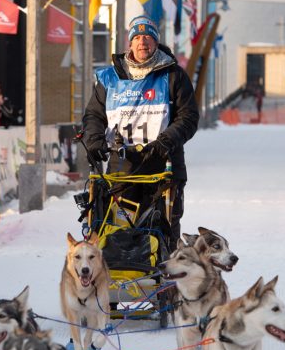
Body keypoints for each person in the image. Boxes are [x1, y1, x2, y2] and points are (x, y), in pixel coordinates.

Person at [82, 18, 199, 238]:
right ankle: (120, 269)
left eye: (148, 37)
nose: (142, 42)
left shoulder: (173, 75)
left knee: (163, 228)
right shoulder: (109, 78)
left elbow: (189, 117)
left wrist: (166, 141)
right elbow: (94, 116)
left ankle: (163, 271)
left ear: (155, 42)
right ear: (130, 43)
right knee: (116, 226)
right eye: (137, 37)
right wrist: (94, 141)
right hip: (122, 164)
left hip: (164, 161)